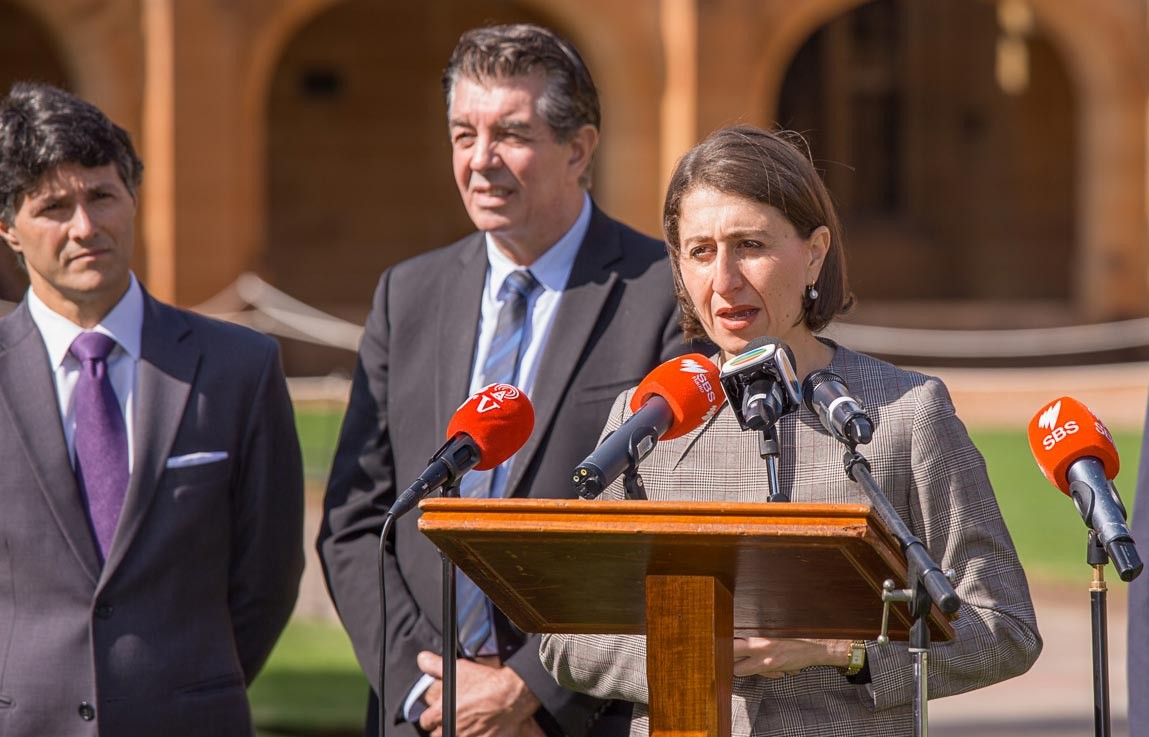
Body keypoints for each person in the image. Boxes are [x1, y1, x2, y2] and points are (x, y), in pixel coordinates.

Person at [539, 125, 1043, 736]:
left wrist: (841, 651)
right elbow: (565, 637)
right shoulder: (644, 417)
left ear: (815, 250)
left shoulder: (907, 412)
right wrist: (691, 654)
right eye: (699, 251)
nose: (722, 280)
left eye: (749, 244)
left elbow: (1005, 625)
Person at [317, 23, 701, 737]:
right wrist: (422, 689)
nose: (480, 161)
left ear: (579, 149)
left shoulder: (662, 293)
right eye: (463, 134)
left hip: (576, 718)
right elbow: (355, 522)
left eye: (511, 134)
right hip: (422, 713)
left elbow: (665, 535)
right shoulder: (408, 293)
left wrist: (528, 688)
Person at [0, 83, 304, 737]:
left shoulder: (239, 368)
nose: (85, 226)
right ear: (8, 231)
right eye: (54, 206)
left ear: (133, 198)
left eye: (101, 195)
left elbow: (268, 576)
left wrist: (186, 684)